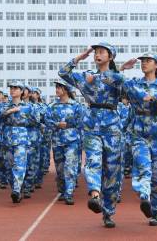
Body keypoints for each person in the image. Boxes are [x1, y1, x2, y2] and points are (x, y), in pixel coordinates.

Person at [104, 52, 157, 226]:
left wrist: (155, 97)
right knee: (142, 165)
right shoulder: (134, 84)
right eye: (142, 61)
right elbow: (111, 80)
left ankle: (156, 211)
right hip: (139, 133)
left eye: (148, 61)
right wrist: (122, 68)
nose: (144, 63)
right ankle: (144, 196)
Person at [58, 42, 123, 228]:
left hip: (112, 127)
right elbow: (63, 73)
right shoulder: (86, 77)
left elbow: (121, 82)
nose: (97, 54)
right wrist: (80, 57)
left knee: (112, 172)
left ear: (110, 57)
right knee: (93, 161)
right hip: (92, 125)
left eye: (102, 52)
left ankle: (108, 212)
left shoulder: (115, 77)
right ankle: (94, 194)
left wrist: (101, 79)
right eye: (96, 52)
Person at [0, 81, 39, 203]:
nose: (13, 90)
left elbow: (36, 121)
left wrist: (24, 116)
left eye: (16, 88)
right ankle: (17, 187)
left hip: (21, 138)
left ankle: (16, 189)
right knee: (9, 166)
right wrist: (8, 112)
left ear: (21, 91)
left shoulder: (29, 107)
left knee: (19, 164)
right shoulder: (4, 106)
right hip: (7, 139)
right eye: (11, 88)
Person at [45, 80, 84, 205]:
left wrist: (69, 124)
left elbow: (82, 121)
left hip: (72, 140)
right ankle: (62, 190)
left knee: (70, 167)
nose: (57, 90)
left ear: (66, 90)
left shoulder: (76, 106)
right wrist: (56, 124)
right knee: (60, 168)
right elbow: (46, 120)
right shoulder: (52, 106)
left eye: (59, 87)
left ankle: (69, 193)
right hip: (57, 140)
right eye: (56, 87)